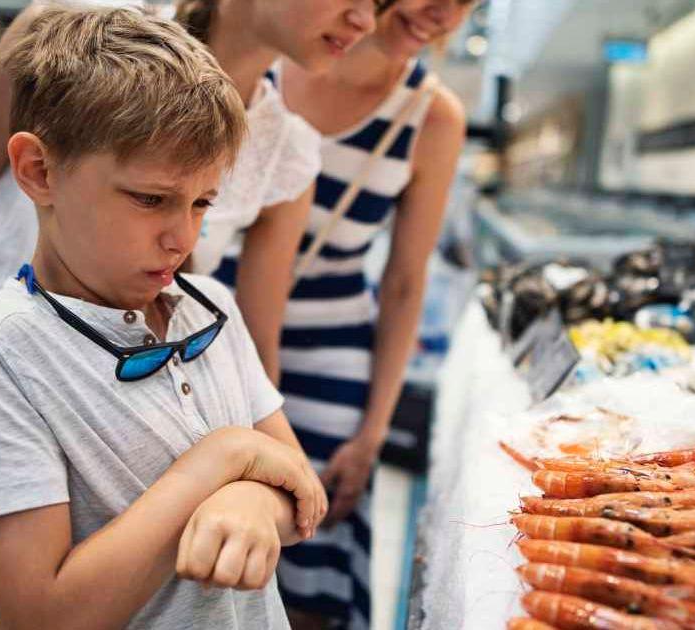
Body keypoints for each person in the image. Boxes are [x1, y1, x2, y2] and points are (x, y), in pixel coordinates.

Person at [0, 1, 377, 627]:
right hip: (30, 379)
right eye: (151, 199)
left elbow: (290, 478)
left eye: (205, 204)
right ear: (38, 170)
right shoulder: (79, 41)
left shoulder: (212, 310)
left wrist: (255, 493)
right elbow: (41, 613)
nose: (184, 239)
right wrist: (226, 460)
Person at [215, 0, 472, 626]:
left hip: (333, 344)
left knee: (309, 538)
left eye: (470, 3)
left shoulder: (431, 114)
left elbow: (407, 282)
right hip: (218, 323)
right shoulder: (272, 55)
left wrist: (374, 431)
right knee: (209, 529)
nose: (444, 13)